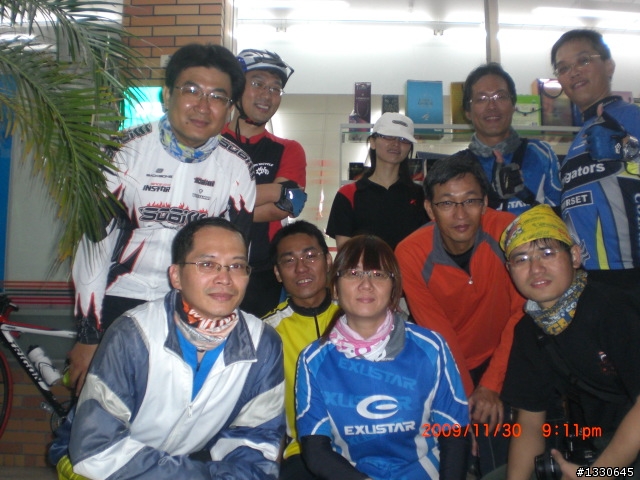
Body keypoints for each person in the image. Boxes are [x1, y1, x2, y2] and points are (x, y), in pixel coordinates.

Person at [68, 43, 256, 393]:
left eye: (217, 96)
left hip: (193, 308)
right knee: (105, 411)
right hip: (119, 301)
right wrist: (88, 335)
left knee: (180, 408)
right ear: (167, 94)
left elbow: (236, 261)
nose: (203, 106)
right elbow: (93, 248)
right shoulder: (121, 153)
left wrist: (219, 324)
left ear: (230, 110)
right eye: (191, 90)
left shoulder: (237, 169)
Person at [66, 217, 285, 479]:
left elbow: (257, 442)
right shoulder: (134, 335)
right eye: (207, 264)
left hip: (191, 463)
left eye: (236, 266)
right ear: (176, 276)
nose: (225, 278)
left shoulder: (263, 344)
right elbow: (97, 449)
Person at [295, 234, 470, 480]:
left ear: (394, 288)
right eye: (353, 274)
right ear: (334, 287)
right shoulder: (313, 360)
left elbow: (455, 433)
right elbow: (315, 449)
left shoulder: (431, 348)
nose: (366, 284)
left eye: (378, 274)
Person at [395, 151, 525, 476]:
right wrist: (465, 401)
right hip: (449, 366)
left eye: (470, 201)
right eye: (447, 203)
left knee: (508, 448)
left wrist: (491, 385)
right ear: (430, 209)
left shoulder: (507, 232)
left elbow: (520, 312)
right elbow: (439, 335)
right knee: (455, 447)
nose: (460, 214)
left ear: (485, 203)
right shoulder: (411, 253)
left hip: (510, 355)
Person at [497, 204, 640, 480]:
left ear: (574, 256)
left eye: (548, 253)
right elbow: (530, 422)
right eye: (521, 259)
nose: (536, 268)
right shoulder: (530, 329)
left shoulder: (611, 309)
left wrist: (598, 474)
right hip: (597, 446)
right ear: (509, 270)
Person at [551, 29, 640, 287]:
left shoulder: (630, 117)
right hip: (594, 282)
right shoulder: (581, 135)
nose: (574, 72)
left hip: (630, 279)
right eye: (563, 68)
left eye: (583, 60)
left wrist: (629, 150)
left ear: (609, 66)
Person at [222, 49, 307, 318]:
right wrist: (272, 190)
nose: (267, 95)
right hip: (208, 267)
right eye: (257, 83)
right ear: (236, 87)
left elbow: (286, 205)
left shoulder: (289, 149)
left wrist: (219, 205)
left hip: (263, 272)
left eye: (275, 88)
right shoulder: (209, 143)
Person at [263, 220, 339, 480]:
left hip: (365, 444)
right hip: (303, 452)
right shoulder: (267, 334)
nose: (301, 268)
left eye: (310, 256)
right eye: (289, 261)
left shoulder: (358, 317)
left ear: (328, 261)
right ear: (277, 273)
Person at [462, 63, 562, 216]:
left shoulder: (541, 154)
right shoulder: (458, 166)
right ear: (468, 112)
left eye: (500, 97)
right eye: (481, 99)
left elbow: (561, 217)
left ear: (513, 105)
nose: (492, 106)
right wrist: (492, 199)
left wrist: (526, 196)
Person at [326, 112, 428, 250]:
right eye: (388, 137)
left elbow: (428, 245)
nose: (396, 144)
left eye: (404, 139)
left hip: (410, 265)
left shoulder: (421, 196)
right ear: (373, 142)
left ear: (410, 147)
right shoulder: (348, 194)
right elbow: (346, 253)